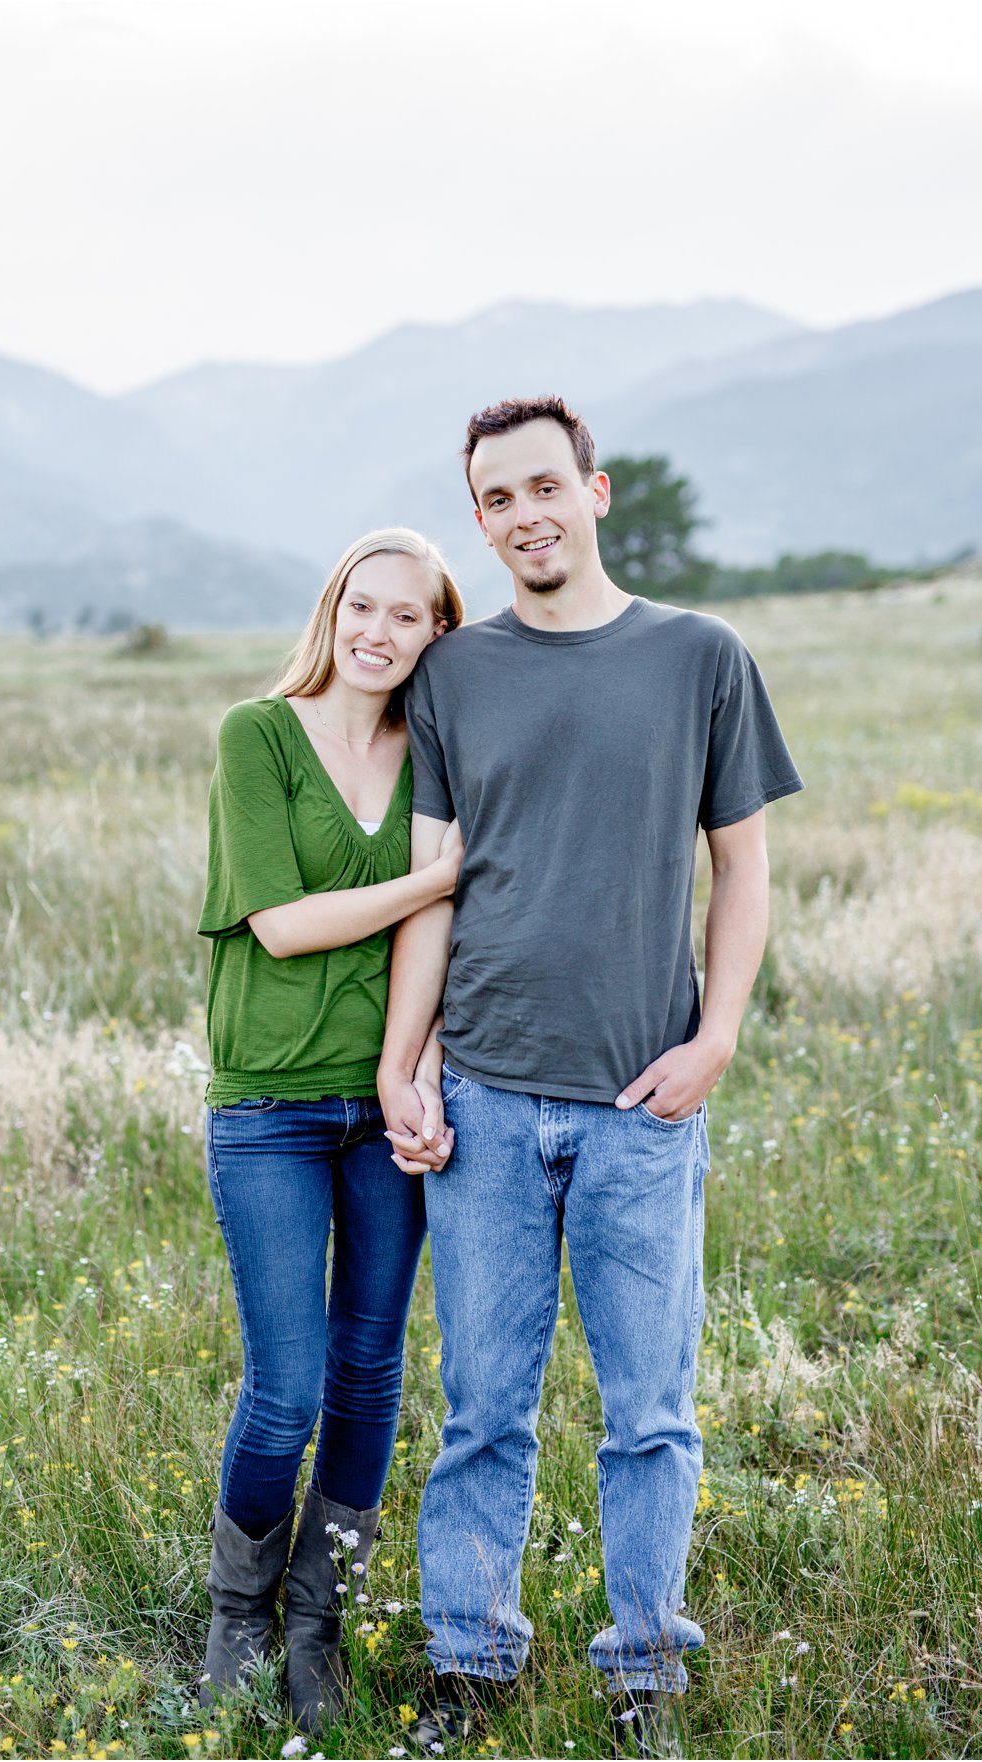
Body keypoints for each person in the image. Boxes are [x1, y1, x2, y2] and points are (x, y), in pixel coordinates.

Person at [376, 398, 803, 1754]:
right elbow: (433, 889)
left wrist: (719, 1033)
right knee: (482, 1407)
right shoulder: (453, 676)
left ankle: (646, 1674)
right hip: (489, 1102)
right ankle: (469, 1663)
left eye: (544, 487)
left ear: (597, 490)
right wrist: (414, 1060)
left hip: (641, 1103)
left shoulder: (700, 657)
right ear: (482, 518)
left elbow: (744, 865)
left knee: (649, 1412)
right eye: (495, 499)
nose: (523, 516)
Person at [197, 528, 464, 1732]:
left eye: (408, 617)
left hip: (387, 1106)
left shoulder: (435, 756)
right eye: (364, 605)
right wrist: (438, 877)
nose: (379, 631)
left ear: (435, 637)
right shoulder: (256, 733)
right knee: (288, 1384)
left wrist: (425, 1067)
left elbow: (442, 948)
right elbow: (284, 922)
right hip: (267, 1105)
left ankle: (318, 1624)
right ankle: (236, 1614)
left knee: (370, 1375)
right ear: (332, 608)